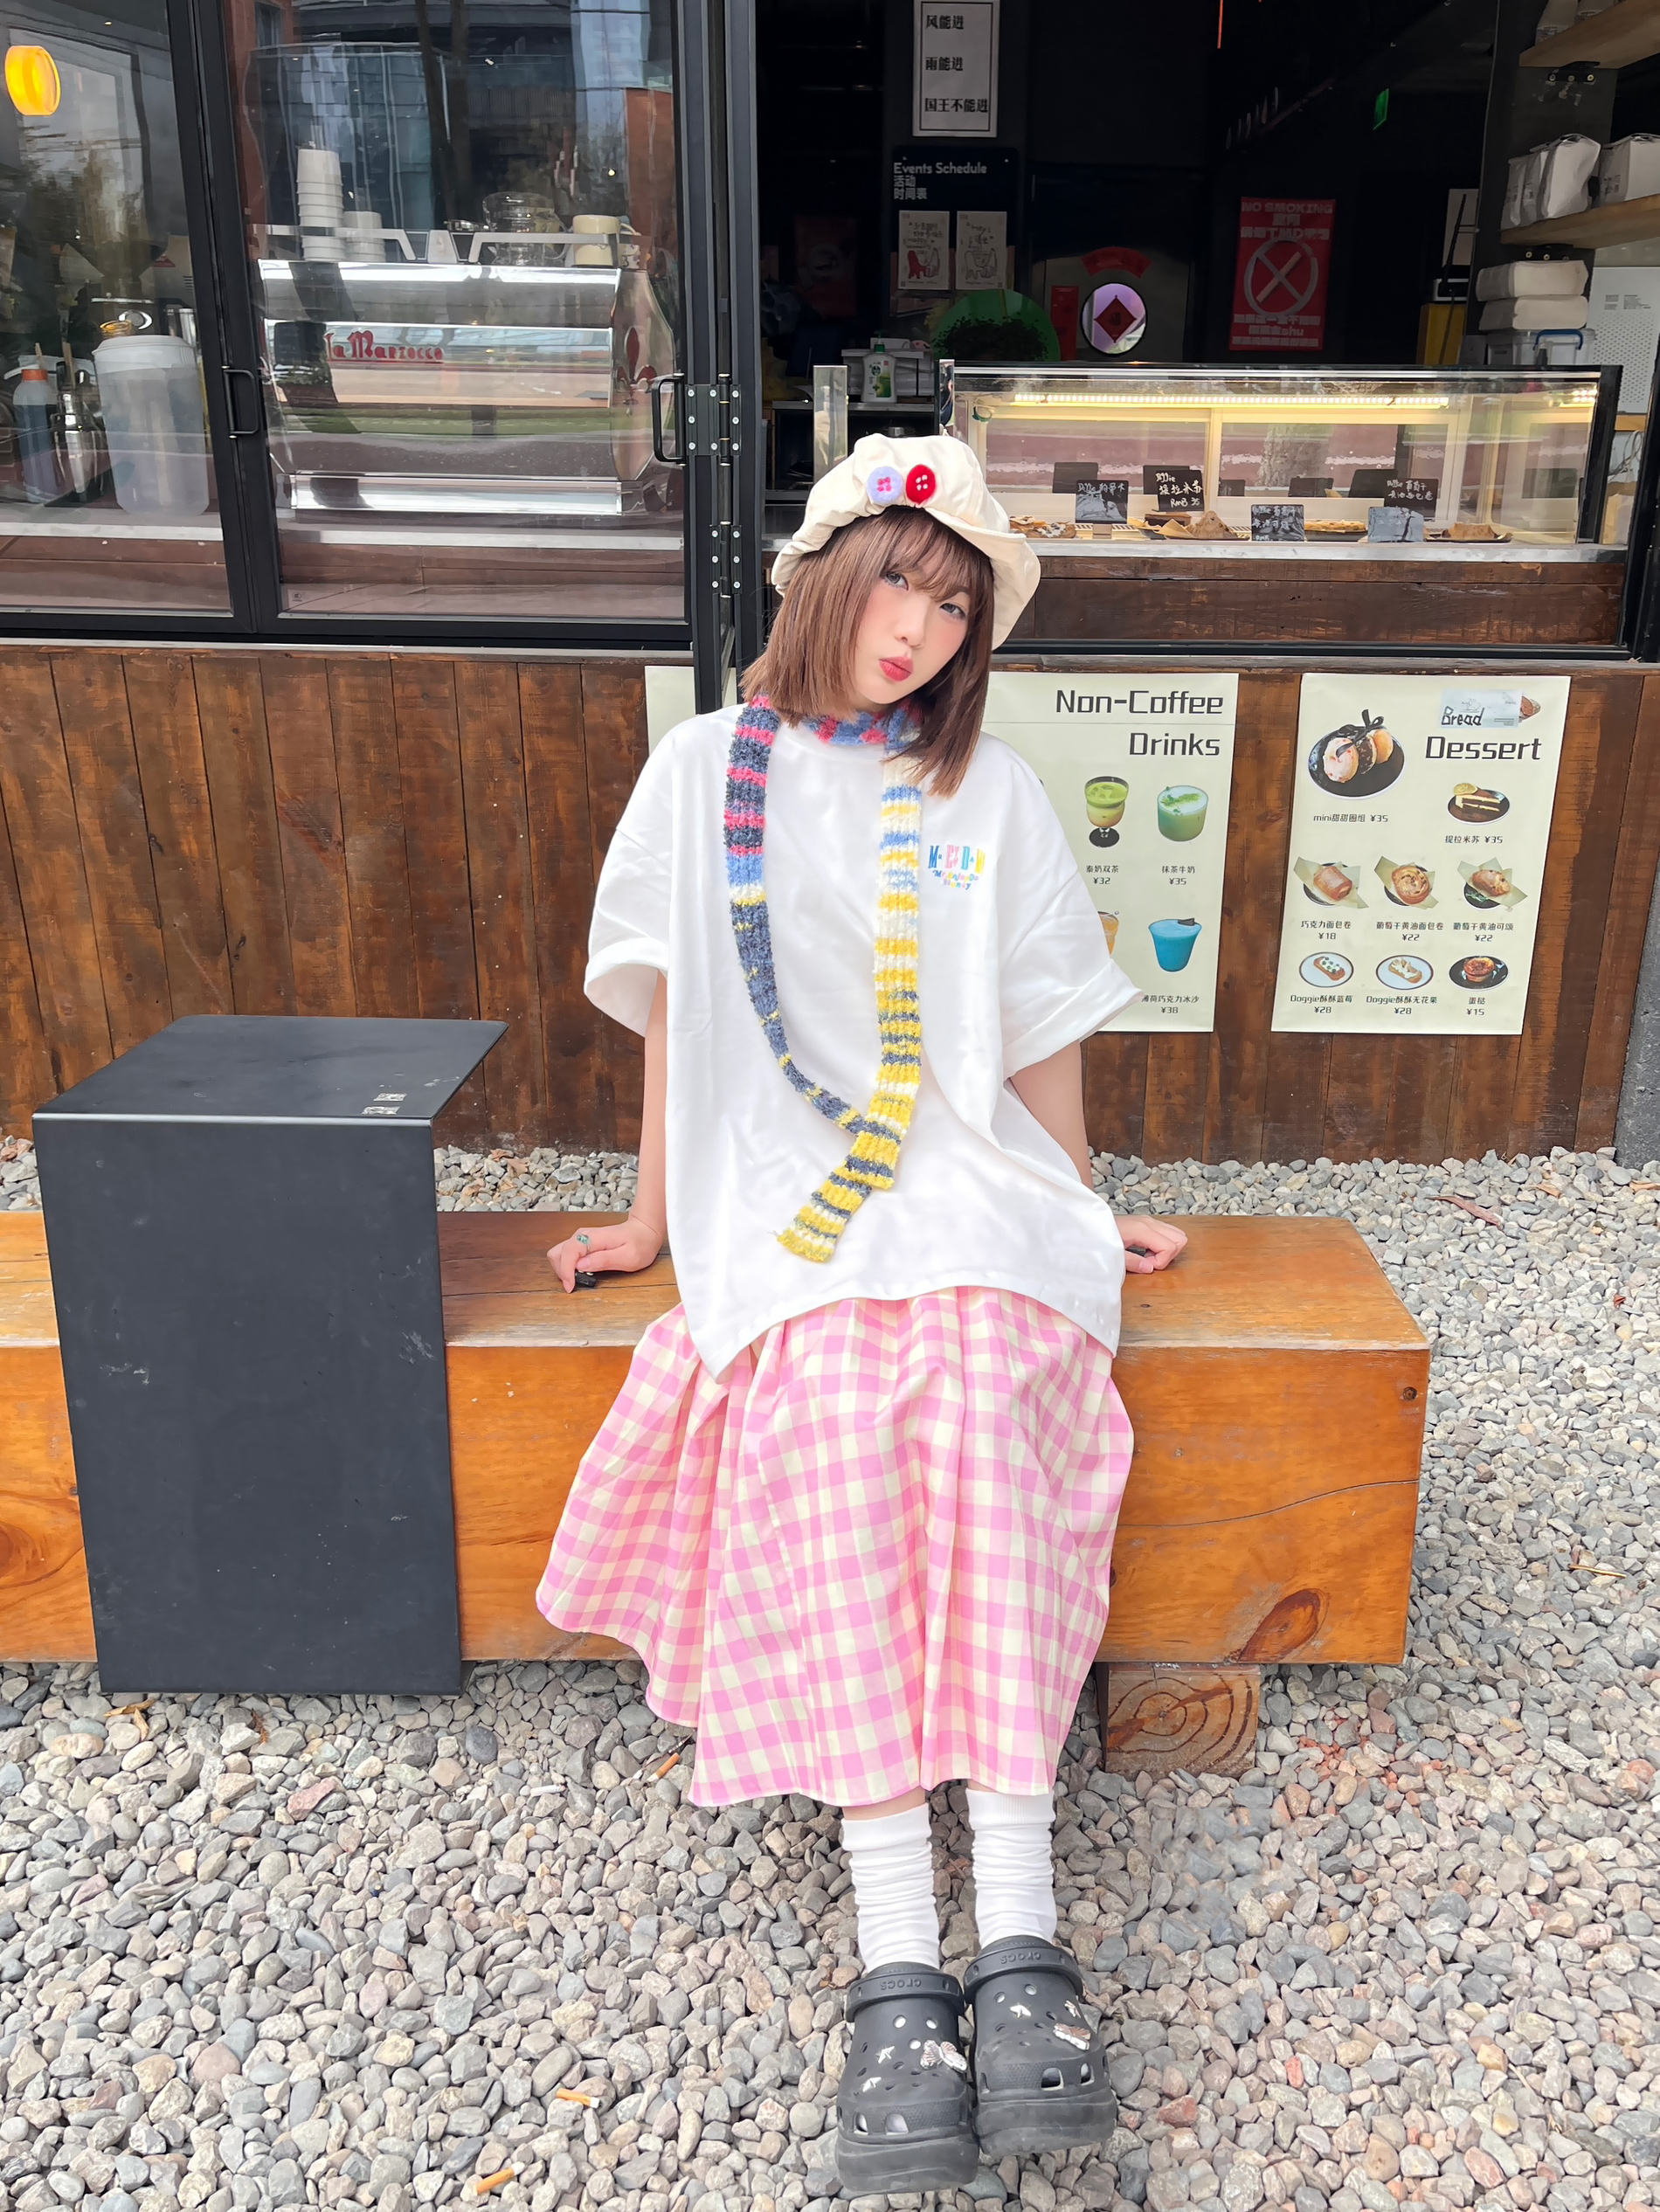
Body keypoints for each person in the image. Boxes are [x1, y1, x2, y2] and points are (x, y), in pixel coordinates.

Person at [536, 432, 1186, 2190]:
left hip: (969, 1192)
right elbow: (677, 1019)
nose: (919, 631)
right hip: (782, 1203)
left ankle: (1023, 1934)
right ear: (826, 575)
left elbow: (1038, 1027)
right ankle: (901, 1959)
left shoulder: (992, 792)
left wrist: (1079, 1205)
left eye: (957, 609)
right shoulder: (701, 773)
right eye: (900, 582)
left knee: (978, 1392)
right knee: (824, 1420)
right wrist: (650, 1218)